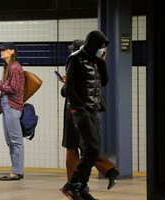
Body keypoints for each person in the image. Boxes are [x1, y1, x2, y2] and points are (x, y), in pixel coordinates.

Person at [59, 30, 115, 200]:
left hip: (91, 109)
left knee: (92, 148)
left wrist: (101, 62)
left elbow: (104, 82)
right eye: (100, 47)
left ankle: (80, 187)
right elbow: (68, 90)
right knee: (87, 148)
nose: (102, 49)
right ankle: (74, 186)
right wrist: (79, 109)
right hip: (79, 110)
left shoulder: (94, 61)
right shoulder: (75, 59)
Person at [0, 42, 25, 181]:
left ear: (12, 51)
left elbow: (14, 89)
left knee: (16, 140)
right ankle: (16, 170)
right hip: (7, 106)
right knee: (10, 141)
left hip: (12, 106)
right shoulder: (9, 67)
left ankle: (16, 172)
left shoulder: (15, 67)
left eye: (4, 50)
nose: (1, 52)